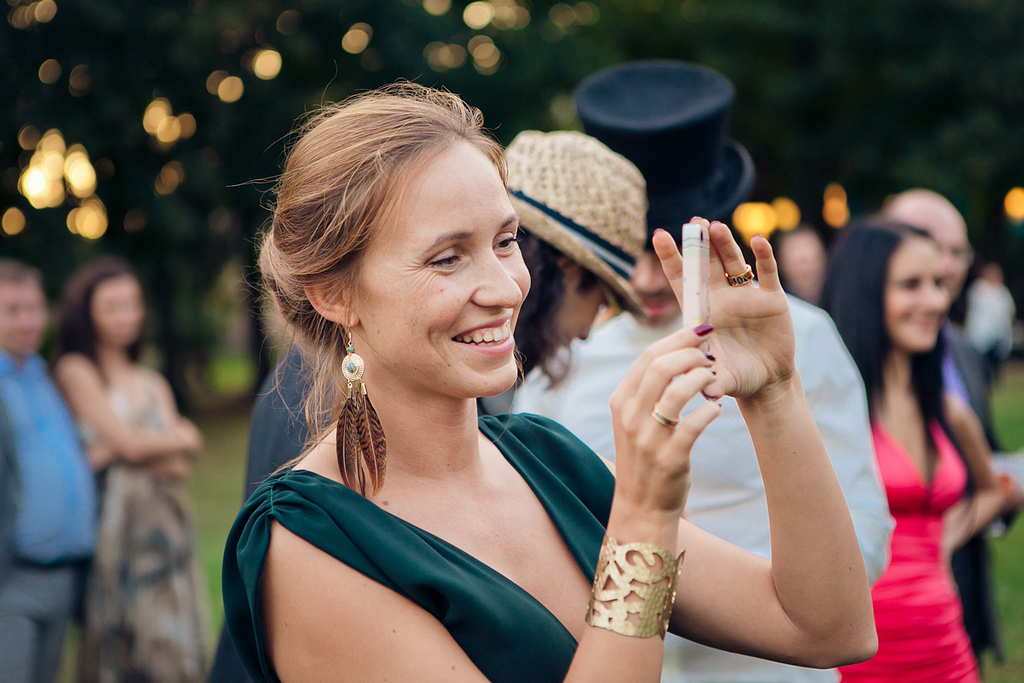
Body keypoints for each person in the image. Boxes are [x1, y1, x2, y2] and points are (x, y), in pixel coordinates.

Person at [221, 82, 877, 682]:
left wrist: (773, 390)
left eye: (506, 242)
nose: (506, 288)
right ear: (335, 294)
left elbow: (828, 626)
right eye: (447, 257)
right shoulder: (306, 538)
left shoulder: (547, 459)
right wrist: (643, 520)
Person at [515, 60, 892, 683]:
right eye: (625, 252)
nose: (642, 279)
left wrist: (745, 590)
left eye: (667, 249)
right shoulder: (562, 359)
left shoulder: (800, 339)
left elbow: (866, 524)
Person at [820, 220, 1022, 682]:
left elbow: (989, 490)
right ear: (866, 293)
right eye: (912, 285)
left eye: (938, 284)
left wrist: (943, 538)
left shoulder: (947, 411)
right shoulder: (826, 413)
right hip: (857, 651)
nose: (935, 301)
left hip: (944, 646)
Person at [52, 257, 209, 683]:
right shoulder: (77, 371)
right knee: (120, 651)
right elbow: (135, 445)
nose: (128, 315)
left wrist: (120, 450)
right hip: (113, 535)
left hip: (166, 527)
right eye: (114, 306)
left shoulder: (152, 381)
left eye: (133, 303)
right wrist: (178, 437)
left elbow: (176, 465)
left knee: (172, 648)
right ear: (88, 315)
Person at [881, 188, 1012, 659]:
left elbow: (986, 467)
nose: (946, 266)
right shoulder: (839, 368)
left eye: (957, 252)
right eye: (931, 246)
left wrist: (1004, 488)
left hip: (950, 606)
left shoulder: (964, 352)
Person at [0, 259, 97, 683]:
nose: (28, 320)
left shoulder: (41, 374)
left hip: (63, 577)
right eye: (13, 310)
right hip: (11, 581)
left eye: (35, 307)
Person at [964, 261, 1015, 382]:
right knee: (981, 360)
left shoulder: (1003, 292)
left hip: (998, 333)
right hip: (981, 334)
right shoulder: (979, 289)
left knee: (996, 359)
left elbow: (1009, 311)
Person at [773, 224, 828, 305]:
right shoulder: (776, 306)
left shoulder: (842, 299)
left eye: (811, 258)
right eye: (799, 261)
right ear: (781, 263)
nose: (805, 269)